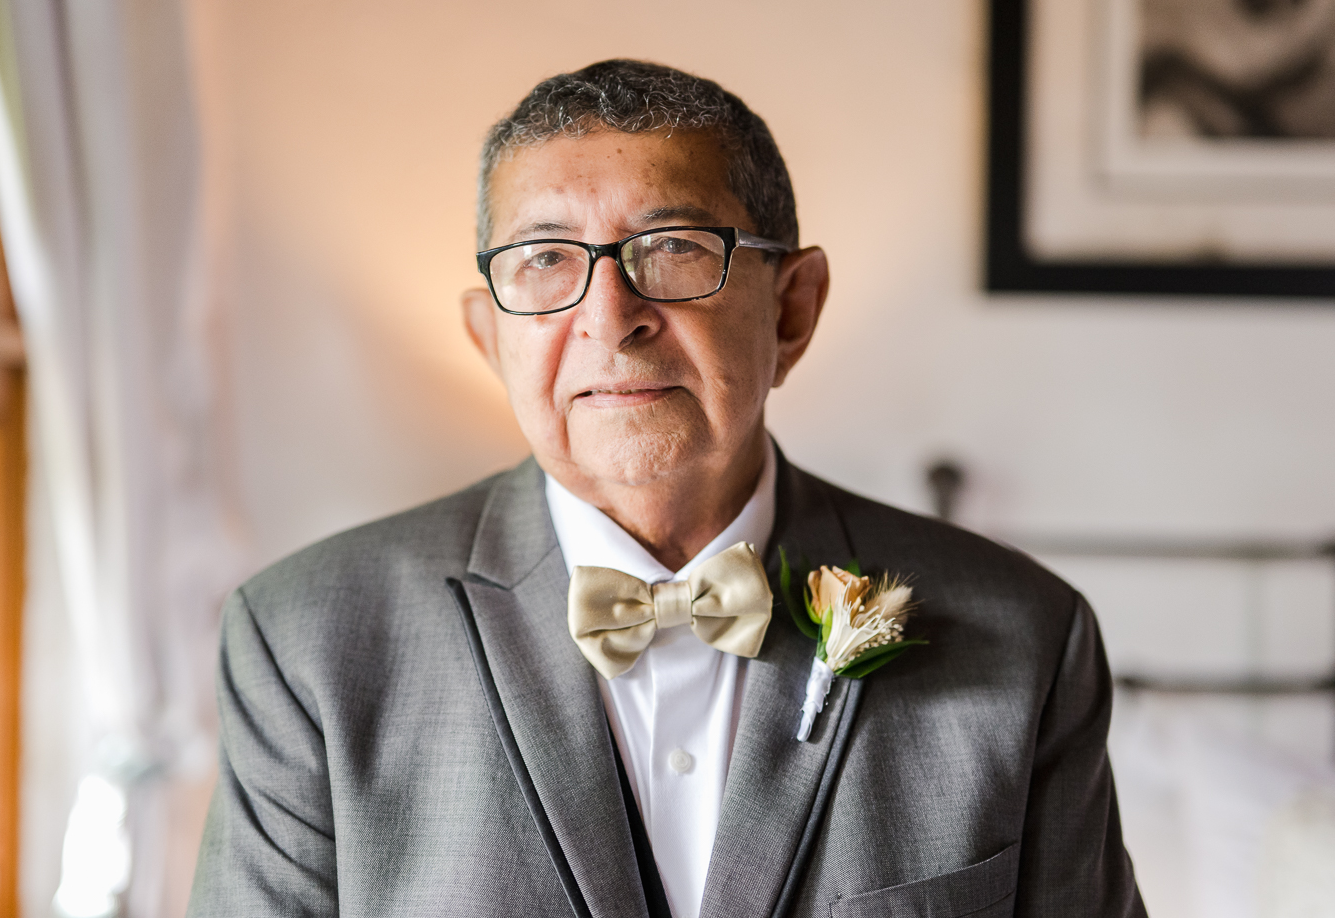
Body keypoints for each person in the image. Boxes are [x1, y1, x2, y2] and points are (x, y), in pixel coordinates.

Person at [187, 60, 1146, 918]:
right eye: (546, 260)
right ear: (490, 337)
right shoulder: (305, 643)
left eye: (675, 248)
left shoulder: (1024, 636)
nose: (610, 318)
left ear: (793, 310)